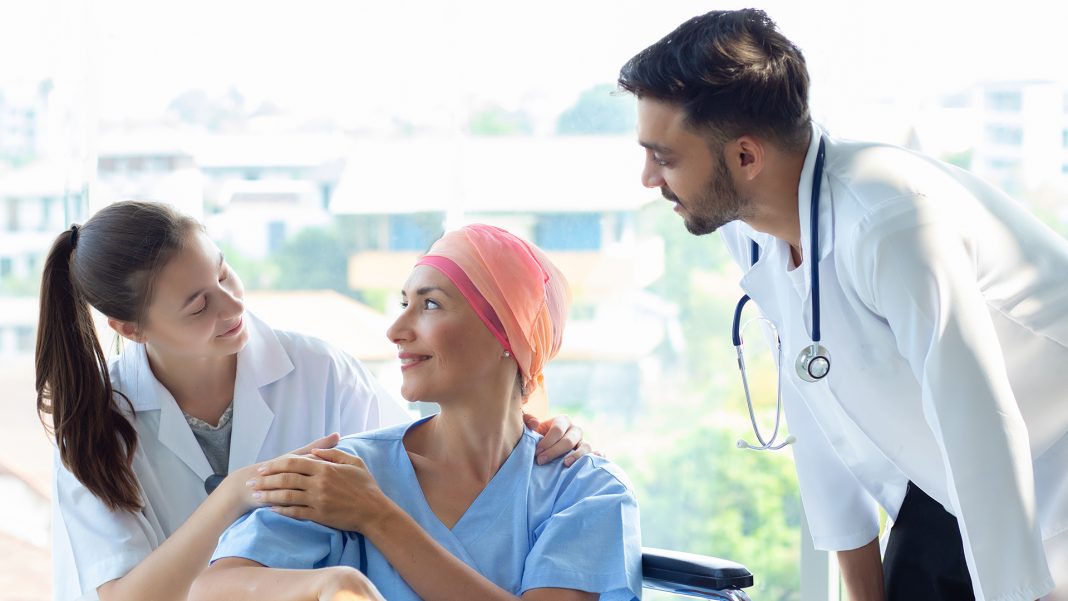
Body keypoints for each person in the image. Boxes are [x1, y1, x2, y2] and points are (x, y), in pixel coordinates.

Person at [618, 9, 1068, 601]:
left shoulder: (891, 223)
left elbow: (981, 428)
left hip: (1038, 464)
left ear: (746, 157)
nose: (648, 178)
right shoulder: (750, 224)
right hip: (946, 484)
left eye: (665, 157)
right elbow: (818, 400)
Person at [36, 201, 589, 601]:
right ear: (130, 329)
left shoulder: (319, 371)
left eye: (224, 273)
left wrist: (528, 429)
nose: (233, 306)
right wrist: (233, 494)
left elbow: (427, 461)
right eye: (199, 305)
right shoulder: (93, 425)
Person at [190, 224, 642, 601]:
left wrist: (378, 517)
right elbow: (211, 590)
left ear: (508, 334)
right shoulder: (346, 474)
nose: (396, 330)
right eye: (404, 303)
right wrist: (331, 583)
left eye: (430, 304)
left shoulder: (586, 490)